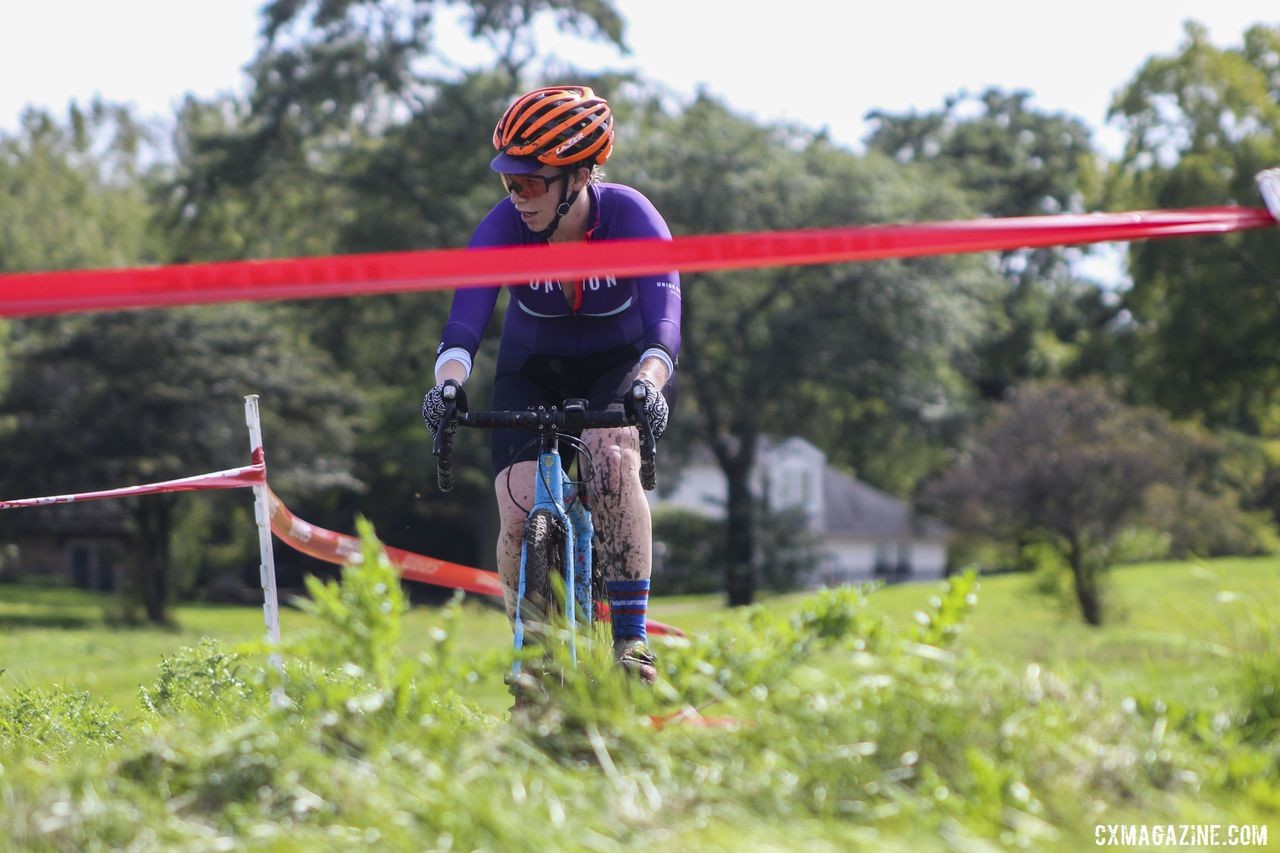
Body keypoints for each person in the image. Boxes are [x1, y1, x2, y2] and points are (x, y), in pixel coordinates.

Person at [421, 85, 680, 685]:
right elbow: (464, 324)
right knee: (516, 504)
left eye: (532, 183)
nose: (519, 198)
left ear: (581, 174)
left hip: (616, 365)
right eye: (510, 183)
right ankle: (530, 658)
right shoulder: (501, 229)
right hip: (530, 368)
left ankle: (633, 643)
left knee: (613, 462)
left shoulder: (634, 218)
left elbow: (665, 327)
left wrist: (650, 383)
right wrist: (449, 385)